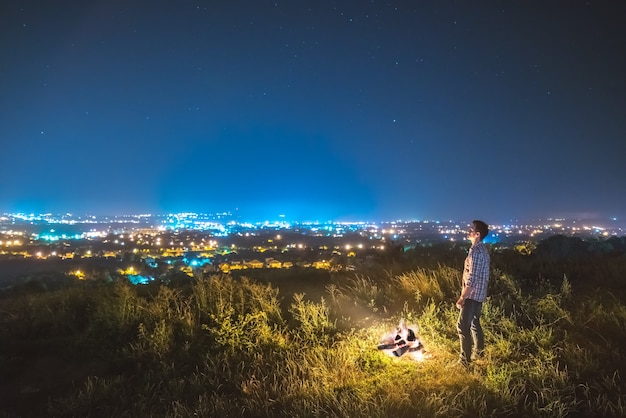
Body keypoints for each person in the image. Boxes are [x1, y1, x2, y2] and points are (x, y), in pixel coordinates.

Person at [456, 220, 490, 367]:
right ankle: (480, 351)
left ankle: (465, 361)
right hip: (480, 294)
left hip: (472, 295)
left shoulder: (476, 251)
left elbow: (472, 278)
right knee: (474, 322)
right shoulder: (483, 250)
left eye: (471, 230)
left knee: (462, 326)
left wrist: (463, 297)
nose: (468, 231)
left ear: (477, 234)